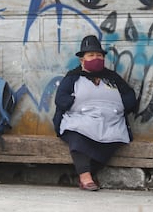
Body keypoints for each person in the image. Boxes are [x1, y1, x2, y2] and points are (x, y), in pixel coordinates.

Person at [53, 35, 137, 191]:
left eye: (99, 55)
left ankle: (87, 173)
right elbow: (61, 98)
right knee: (78, 138)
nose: (96, 58)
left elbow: (129, 95)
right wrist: (74, 102)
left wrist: (121, 105)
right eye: (91, 55)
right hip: (80, 120)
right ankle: (85, 178)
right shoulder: (73, 77)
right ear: (82, 60)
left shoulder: (112, 78)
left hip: (110, 122)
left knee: (113, 139)